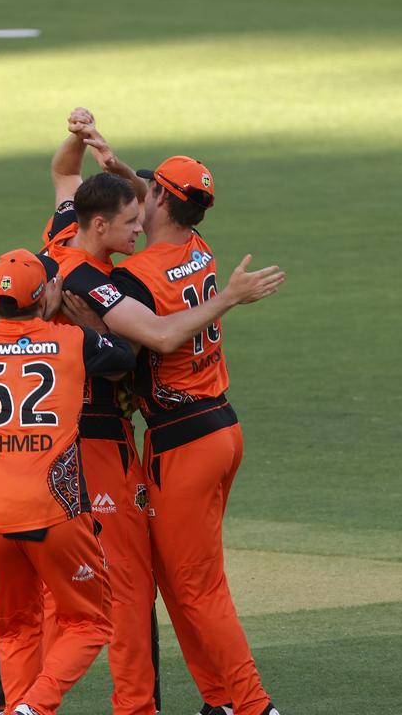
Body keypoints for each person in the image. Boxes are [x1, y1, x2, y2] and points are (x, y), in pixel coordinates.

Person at [111, 154, 282, 715]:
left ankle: (254, 705)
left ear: (158, 198)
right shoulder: (200, 250)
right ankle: (222, 700)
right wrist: (113, 158)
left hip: (181, 442)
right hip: (220, 429)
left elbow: (152, 340)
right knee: (178, 578)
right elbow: (151, 190)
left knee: (198, 587)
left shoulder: (135, 276)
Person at [0, 249, 136, 715]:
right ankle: (34, 706)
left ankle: (19, 707)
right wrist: (70, 317)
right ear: (46, 294)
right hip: (54, 510)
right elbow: (122, 355)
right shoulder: (71, 341)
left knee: (15, 626)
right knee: (91, 622)